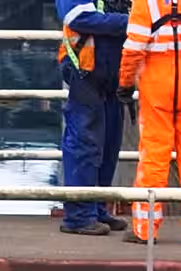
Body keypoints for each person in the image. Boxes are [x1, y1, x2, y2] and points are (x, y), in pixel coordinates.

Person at [125, 0, 181, 243]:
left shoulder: (147, 2)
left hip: (157, 86)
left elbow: (134, 47)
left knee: (152, 157)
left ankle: (144, 231)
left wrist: (125, 82)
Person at [59, 0, 132, 235]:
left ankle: (98, 206)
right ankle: (79, 216)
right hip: (85, 73)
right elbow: (77, 17)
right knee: (84, 144)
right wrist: (132, 22)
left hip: (111, 76)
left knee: (109, 145)